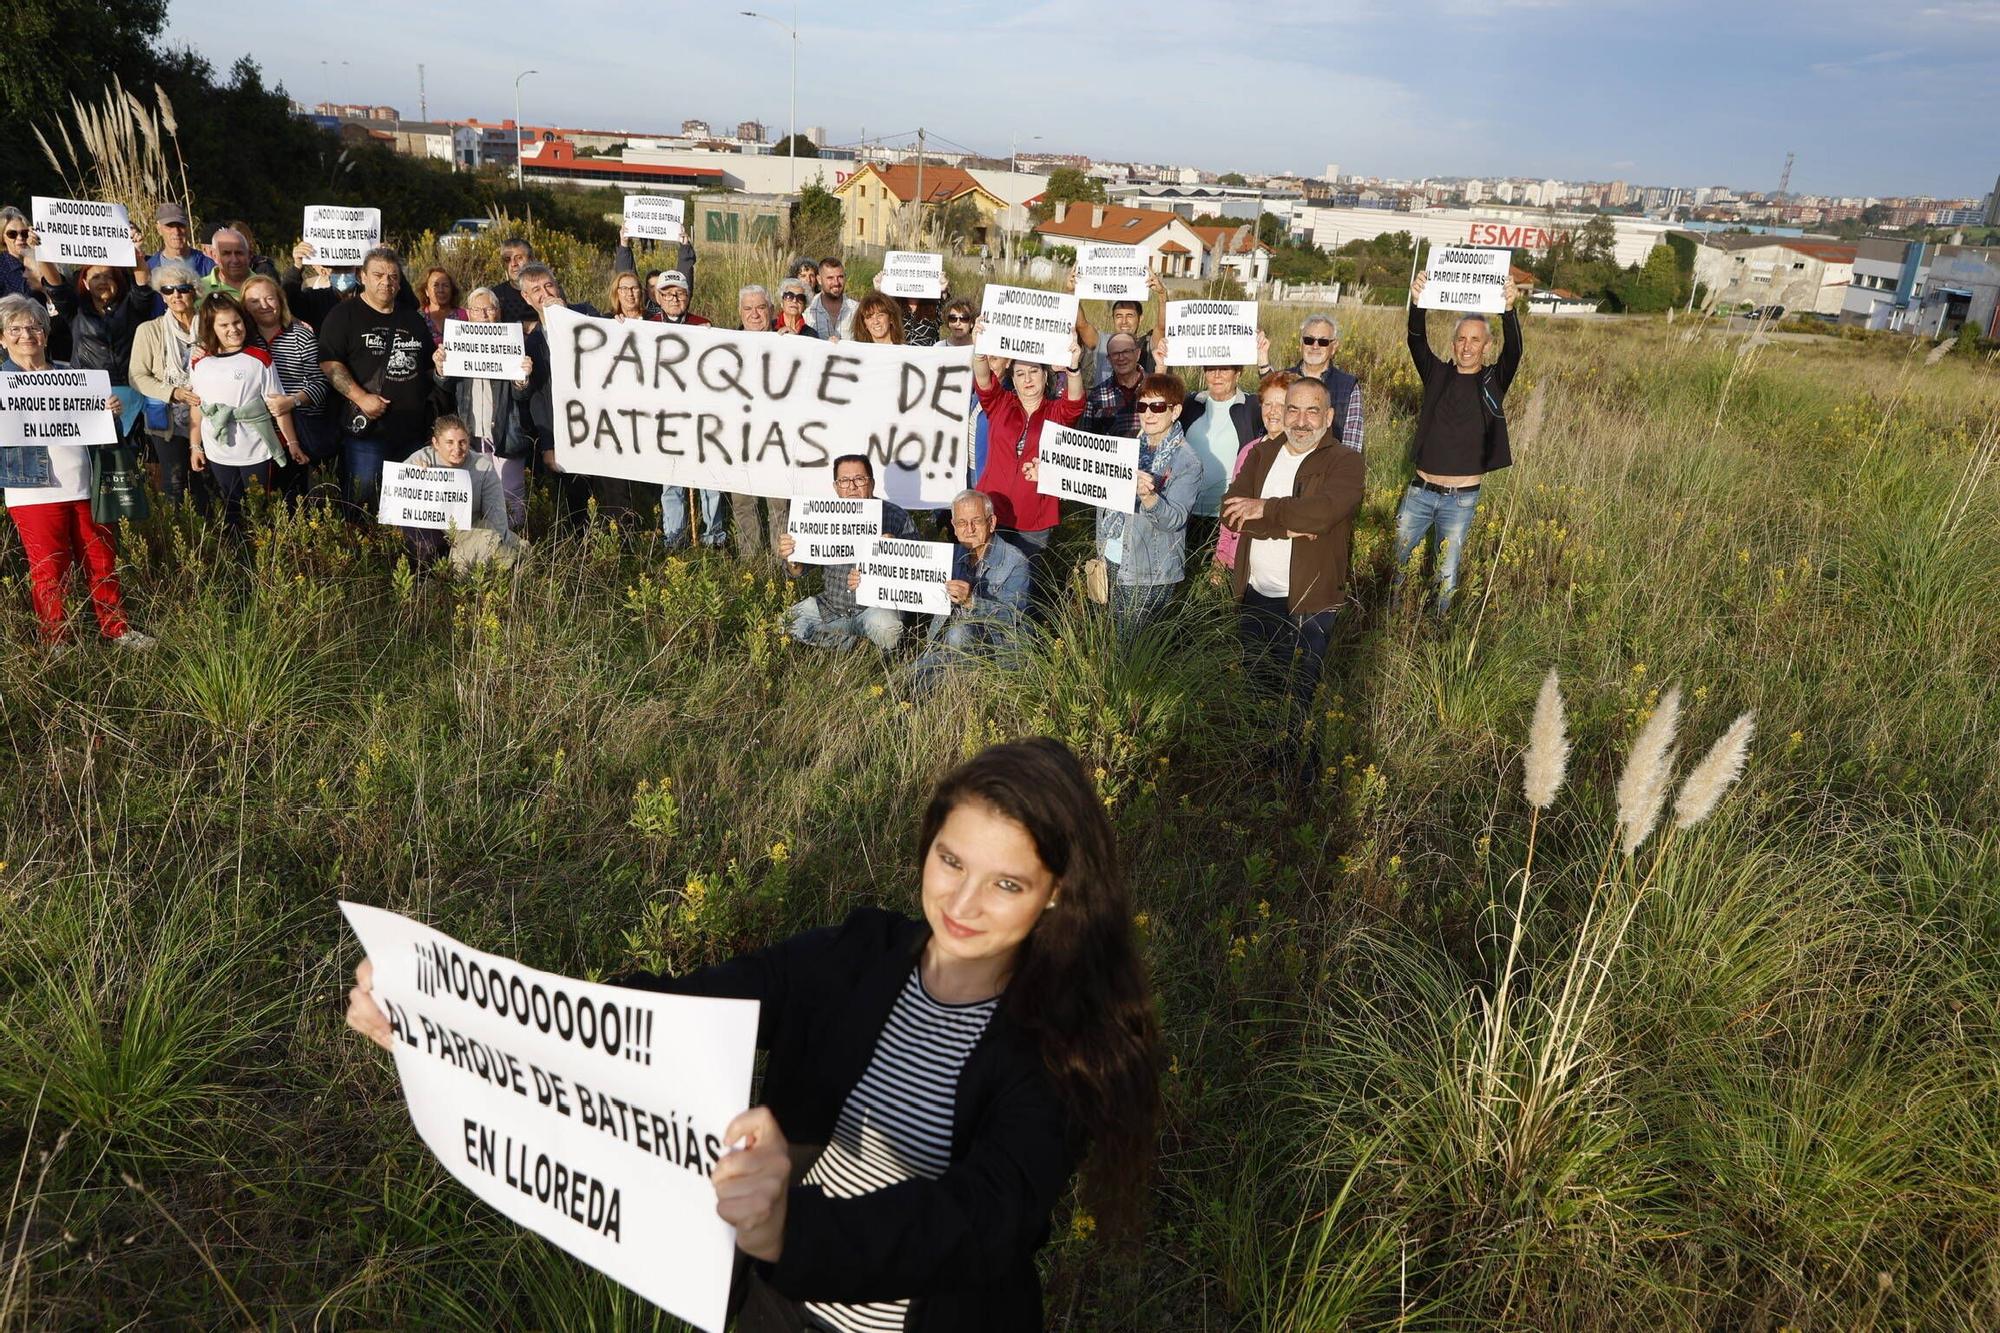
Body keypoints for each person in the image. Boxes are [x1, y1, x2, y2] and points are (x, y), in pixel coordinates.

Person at [347, 736, 1159, 1332]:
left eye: (1007, 883)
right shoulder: (859, 954)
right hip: (772, 1301)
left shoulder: (1066, 1042)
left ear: (1058, 893)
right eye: (951, 861)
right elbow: (673, 1016)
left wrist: (792, 1230)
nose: (963, 902)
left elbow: (982, 1218)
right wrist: (450, 1020)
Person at [1222, 377, 1366, 779]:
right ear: (1283, 413)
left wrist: (1265, 508)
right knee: (1258, 687)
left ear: (1329, 416)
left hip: (1309, 600)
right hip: (1256, 596)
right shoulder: (1262, 453)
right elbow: (1230, 510)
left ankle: (1299, 782)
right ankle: (1259, 773)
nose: (1301, 421)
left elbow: (1323, 513)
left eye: (1312, 411)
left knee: (1300, 694)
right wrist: (1287, 526)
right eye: (1293, 410)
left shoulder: (1345, 461)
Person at [0, 294, 155, 650]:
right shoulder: (2, 385)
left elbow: (104, 435)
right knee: (49, 569)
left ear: (46, 333)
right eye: (16, 329)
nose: (27, 335)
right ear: (3, 338)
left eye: (35, 327)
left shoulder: (73, 377)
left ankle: (116, 629)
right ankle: (56, 638)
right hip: (33, 491)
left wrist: (110, 415)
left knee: (102, 561)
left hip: (86, 485)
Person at [1027, 372, 1202, 635]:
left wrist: (1149, 497)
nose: (1148, 414)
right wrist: (1050, 473)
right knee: (1111, 635)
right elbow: (1091, 481)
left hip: (1147, 571)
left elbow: (1175, 519)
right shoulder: (1127, 448)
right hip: (1110, 558)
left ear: (1175, 411)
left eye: (1157, 407)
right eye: (1142, 406)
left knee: (1131, 645)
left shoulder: (1187, 462)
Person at [1394, 272, 1525, 614]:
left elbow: (1515, 351)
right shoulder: (1437, 374)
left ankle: (1438, 629)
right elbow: (1416, 341)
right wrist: (1418, 303)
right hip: (1420, 493)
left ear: (1487, 345)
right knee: (1397, 565)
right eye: (1461, 339)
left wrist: (1509, 310)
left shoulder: (1493, 380)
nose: (1467, 346)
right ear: (1453, 344)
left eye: (1475, 340)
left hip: (1461, 499)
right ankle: (1390, 624)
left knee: (1446, 574)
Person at [318, 246, 437, 516]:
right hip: (368, 431)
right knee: (362, 498)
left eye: (393, 276)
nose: (386, 282)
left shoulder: (412, 319)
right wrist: (361, 398)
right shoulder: (343, 315)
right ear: (362, 276)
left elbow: (428, 366)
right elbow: (329, 363)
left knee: (409, 504)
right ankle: (359, 541)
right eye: (378, 275)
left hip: (411, 430)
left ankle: (399, 543)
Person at [971, 319, 1084, 573]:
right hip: (992, 511)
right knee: (985, 577)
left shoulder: (1056, 412)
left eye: (1034, 371)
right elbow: (983, 378)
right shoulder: (999, 403)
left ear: (1045, 376)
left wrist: (1073, 368)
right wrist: (980, 350)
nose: (1027, 379)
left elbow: (1075, 402)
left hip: (1034, 518)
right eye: (1020, 374)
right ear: (1013, 379)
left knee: (1024, 581)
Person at [776, 454, 919, 652]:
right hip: (831, 608)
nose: (851, 487)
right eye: (844, 480)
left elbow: (917, 573)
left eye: (859, 479)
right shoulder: (821, 516)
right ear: (836, 487)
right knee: (786, 623)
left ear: (872, 484)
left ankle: (857, 643)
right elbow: (798, 572)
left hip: (875, 609)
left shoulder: (896, 517)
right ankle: (856, 646)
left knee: (888, 630)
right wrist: (792, 559)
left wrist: (894, 552)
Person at [189, 291, 306, 532]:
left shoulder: (259, 359)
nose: (233, 329)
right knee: (231, 507)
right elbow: (197, 407)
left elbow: (278, 406)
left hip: (256, 449)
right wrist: (195, 445)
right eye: (224, 325)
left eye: (237, 322)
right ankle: (237, 551)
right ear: (211, 328)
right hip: (218, 450)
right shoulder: (199, 363)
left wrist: (292, 442)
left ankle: (265, 550)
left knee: (259, 508)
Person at [39, 224, 155, 443]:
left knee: (130, 456)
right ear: (84, 282)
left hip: (132, 391)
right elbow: (56, 286)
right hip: (89, 393)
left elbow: (143, 285)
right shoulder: (75, 309)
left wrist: (137, 253)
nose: (102, 281)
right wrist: (41, 251)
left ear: (117, 281)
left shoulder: (132, 306)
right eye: (95, 277)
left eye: (108, 276)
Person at [431, 286, 535, 528]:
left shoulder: (512, 342)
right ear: (468, 313)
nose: (484, 315)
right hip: (471, 434)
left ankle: (512, 542)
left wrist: (523, 378)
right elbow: (446, 385)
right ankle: (482, 543)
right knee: (476, 495)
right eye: (478, 310)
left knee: (510, 496)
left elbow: (522, 395)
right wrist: (440, 368)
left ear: (498, 312)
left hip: (506, 434)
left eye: (489, 309)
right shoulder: (458, 341)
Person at [910, 490, 1034, 694]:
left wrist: (972, 602)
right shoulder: (950, 555)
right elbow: (911, 581)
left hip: (997, 651)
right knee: (906, 679)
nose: (969, 529)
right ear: (953, 526)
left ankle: (973, 689)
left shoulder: (1015, 562)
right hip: (948, 646)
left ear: (991, 523)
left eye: (976, 521)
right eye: (962, 523)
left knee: (958, 635)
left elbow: (1013, 617)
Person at [242, 273, 337, 504]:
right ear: (244, 306)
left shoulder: (300, 335)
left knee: (297, 496)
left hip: (301, 428)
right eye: (255, 301)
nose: (264, 305)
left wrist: (292, 401)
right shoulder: (243, 339)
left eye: (269, 298)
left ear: (280, 300)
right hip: (258, 433)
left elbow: (321, 382)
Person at [128, 260, 210, 505]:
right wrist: (174, 392)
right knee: (174, 482)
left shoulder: (211, 325)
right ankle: (178, 528)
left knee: (207, 480)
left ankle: (215, 527)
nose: (176, 295)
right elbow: (137, 376)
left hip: (208, 415)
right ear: (162, 296)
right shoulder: (148, 330)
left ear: (194, 291)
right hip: (167, 419)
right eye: (168, 290)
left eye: (183, 288)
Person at [396, 415, 524, 572]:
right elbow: (396, 502)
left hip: (470, 527)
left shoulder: (483, 467)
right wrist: (413, 478)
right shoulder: (420, 460)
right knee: (429, 547)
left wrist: (499, 541)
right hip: (432, 530)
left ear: (469, 441)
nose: (457, 449)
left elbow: (496, 513)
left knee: (516, 554)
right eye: (449, 442)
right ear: (436, 443)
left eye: (462, 442)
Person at [726, 284, 797, 558]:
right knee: (743, 502)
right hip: (739, 438)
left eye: (760, 307)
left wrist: (796, 346)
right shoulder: (726, 344)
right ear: (739, 312)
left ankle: (781, 563)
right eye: (748, 308)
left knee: (779, 504)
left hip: (776, 439)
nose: (754, 314)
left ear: (771, 309)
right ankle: (750, 562)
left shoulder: (786, 342)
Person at [1174, 360, 1261, 554]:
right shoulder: (1189, 404)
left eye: (1224, 369)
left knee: (1219, 570)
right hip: (1186, 512)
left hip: (1228, 516)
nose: (1217, 375)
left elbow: (1281, 398)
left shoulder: (1251, 406)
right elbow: (1158, 403)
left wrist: (1263, 361)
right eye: (1211, 369)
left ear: (1238, 373)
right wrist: (1161, 367)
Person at [1212, 372, 1294, 573]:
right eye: (1268, 404)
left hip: (1279, 563)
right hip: (1239, 560)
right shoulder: (1248, 451)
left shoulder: (1299, 455)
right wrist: (1221, 556)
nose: (1273, 411)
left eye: (1281, 405)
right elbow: (1232, 505)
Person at [1254, 315, 1363, 453]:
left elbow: (1352, 447)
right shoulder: (1285, 378)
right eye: (1309, 340)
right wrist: (1262, 356)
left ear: (1334, 347)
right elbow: (1270, 397)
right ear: (1301, 343)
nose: (1315, 346)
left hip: (1328, 465)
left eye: (1323, 342)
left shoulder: (1348, 387)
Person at [145, 202, 214, 313]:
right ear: (158, 228)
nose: (176, 232)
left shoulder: (208, 266)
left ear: (188, 226)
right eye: (170, 226)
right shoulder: (149, 268)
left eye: (180, 225)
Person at [614, 227, 699, 316]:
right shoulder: (641, 307)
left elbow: (683, 281)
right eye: (651, 287)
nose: (655, 290)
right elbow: (627, 277)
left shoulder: (676, 305)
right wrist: (624, 245)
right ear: (645, 290)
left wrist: (685, 247)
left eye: (659, 286)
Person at [1081, 332, 1146, 439]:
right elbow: (1086, 439)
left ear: (1138, 354)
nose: (1121, 358)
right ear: (1109, 360)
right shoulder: (1097, 396)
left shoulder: (1155, 389)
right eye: (1115, 354)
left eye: (1126, 351)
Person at [0, 208, 50, 298]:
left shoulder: (41, 259)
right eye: (12, 234)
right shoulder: (2, 268)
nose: (20, 238)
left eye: (24, 233)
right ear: (3, 238)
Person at [805, 257, 856, 340]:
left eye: (840, 277)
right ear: (819, 280)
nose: (836, 282)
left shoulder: (857, 310)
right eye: (830, 278)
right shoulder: (807, 312)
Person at [492, 236, 538, 325]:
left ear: (531, 259)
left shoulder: (546, 290)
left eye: (519, 258)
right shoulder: (495, 295)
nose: (513, 264)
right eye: (507, 260)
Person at [200, 226, 256, 298]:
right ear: (214, 256)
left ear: (249, 255)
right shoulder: (200, 289)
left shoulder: (264, 286)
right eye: (227, 254)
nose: (234, 260)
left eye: (239, 253)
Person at [415, 267, 465, 343]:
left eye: (445, 285)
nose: (441, 290)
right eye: (435, 285)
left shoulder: (463, 316)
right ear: (426, 291)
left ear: (452, 290)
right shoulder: (417, 318)